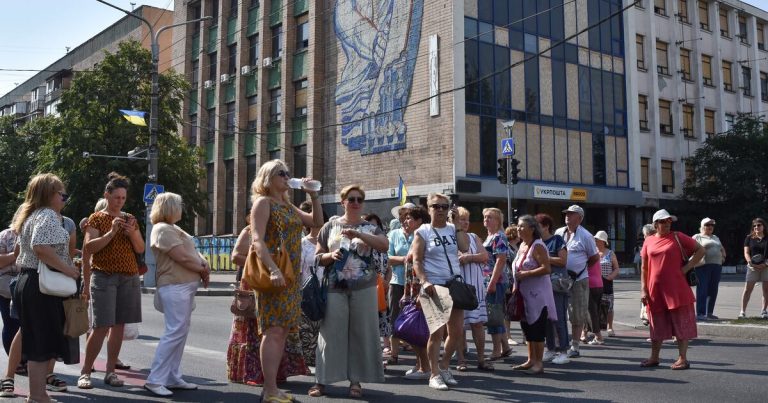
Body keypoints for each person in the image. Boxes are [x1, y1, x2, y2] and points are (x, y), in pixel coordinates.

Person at [250, 160, 322, 402]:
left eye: (288, 173)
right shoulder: (263, 202)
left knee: (281, 331)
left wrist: (313, 195)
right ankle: (269, 389)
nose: (287, 177)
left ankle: (271, 389)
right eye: (282, 173)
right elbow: (257, 240)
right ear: (268, 178)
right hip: (275, 275)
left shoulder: (287, 205)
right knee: (273, 330)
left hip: (290, 277)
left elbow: (316, 223)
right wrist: (273, 270)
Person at [12, 173, 80, 403]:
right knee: (41, 343)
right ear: (50, 195)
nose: (65, 199)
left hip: (29, 281)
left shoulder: (32, 215)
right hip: (42, 285)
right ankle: (38, 395)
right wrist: (68, 269)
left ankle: (37, 394)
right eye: (63, 194)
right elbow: (40, 247)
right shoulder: (48, 215)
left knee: (35, 342)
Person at [79, 173, 145, 389]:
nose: (120, 202)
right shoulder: (97, 218)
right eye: (117, 197)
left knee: (118, 326)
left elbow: (140, 248)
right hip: (104, 276)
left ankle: (110, 372)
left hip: (128, 276)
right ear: (106, 195)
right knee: (101, 326)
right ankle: (85, 372)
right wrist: (111, 232)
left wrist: (132, 232)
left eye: (123, 198)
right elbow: (89, 247)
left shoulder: (129, 218)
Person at [143, 192, 210, 396]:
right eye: (179, 205)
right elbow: (182, 257)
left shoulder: (172, 228)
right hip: (174, 285)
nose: (181, 209)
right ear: (170, 207)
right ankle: (155, 380)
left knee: (180, 331)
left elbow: (191, 253)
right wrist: (202, 269)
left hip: (182, 286)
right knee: (174, 332)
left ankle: (172, 376)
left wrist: (203, 263)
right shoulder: (162, 229)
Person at [410, 193, 469, 391]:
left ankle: (444, 366)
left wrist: (457, 224)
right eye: (436, 206)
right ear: (429, 209)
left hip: (455, 284)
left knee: (456, 332)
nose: (441, 210)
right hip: (434, 286)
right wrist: (424, 281)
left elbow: (464, 247)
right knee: (437, 333)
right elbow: (417, 260)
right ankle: (434, 374)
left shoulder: (453, 228)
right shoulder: (423, 231)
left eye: (445, 206)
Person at [640, 209, 704, 370]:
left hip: (677, 289)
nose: (668, 224)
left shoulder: (678, 236)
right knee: (656, 324)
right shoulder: (648, 241)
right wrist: (643, 289)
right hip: (655, 290)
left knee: (681, 324)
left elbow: (701, 250)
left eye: (669, 221)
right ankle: (654, 357)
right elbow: (644, 268)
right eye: (663, 221)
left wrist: (687, 268)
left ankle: (683, 359)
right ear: (655, 224)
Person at [511, 215, 556, 375]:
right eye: (518, 225)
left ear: (531, 229)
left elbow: (547, 268)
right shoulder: (522, 244)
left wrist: (527, 274)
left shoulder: (538, 245)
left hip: (538, 296)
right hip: (524, 295)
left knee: (537, 330)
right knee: (527, 329)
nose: (518, 229)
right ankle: (531, 360)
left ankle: (538, 363)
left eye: (522, 226)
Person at [554, 205, 599, 359]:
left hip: (579, 280)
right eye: (566, 213)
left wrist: (579, 268)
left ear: (579, 218)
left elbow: (594, 257)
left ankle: (575, 345)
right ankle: (559, 343)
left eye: (571, 214)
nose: (567, 216)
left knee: (577, 313)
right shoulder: (559, 232)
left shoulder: (586, 236)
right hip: (560, 279)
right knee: (558, 312)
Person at [394, 207, 432, 380]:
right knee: (412, 329)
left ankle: (426, 367)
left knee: (418, 330)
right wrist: (405, 293)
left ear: (419, 221)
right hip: (411, 290)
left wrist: (420, 293)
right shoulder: (415, 238)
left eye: (409, 218)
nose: (405, 221)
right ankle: (419, 364)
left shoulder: (424, 238)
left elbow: (424, 268)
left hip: (420, 290)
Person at [454, 207, 490, 371]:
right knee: (458, 326)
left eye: (467, 220)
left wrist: (468, 257)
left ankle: (481, 359)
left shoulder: (474, 237)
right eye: (462, 219)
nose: (465, 223)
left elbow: (484, 256)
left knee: (477, 324)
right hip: (458, 287)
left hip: (475, 287)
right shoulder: (449, 237)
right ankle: (461, 360)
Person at [536, 213, 570, 365]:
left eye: (537, 226)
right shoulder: (537, 243)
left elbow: (563, 261)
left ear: (546, 226)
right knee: (547, 319)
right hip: (542, 285)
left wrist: (545, 258)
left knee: (559, 318)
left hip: (556, 285)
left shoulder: (557, 240)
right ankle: (550, 348)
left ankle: (563, 351)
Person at [385, 205, 416, 366]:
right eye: (402, 218)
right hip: (397, 282)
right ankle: (394, 354)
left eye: (408, 218)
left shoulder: (420, 234)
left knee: (417, 318)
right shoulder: (394, 234)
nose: (405, 221)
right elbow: (387, 257)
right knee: (394, 318)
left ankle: (420, 357)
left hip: (416, 283)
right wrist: (405, 259)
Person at [481, 208, 512, 361]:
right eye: (485, 217)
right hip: (490, 280)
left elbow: (501, 260)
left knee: (493, 315)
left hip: (496, 281)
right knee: (496, 314)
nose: (486, 219)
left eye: (490, 217)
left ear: (498, 220)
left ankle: (496, 350)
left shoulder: (499, 236)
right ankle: (505, 347)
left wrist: (492, 282)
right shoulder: (490, 236)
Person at [364, 213, 392, 359]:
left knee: (384, 314)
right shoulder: (364, 246)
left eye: (376, 225)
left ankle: (386, 345)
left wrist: (386, 281)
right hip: (369, 286)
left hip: (382, 286)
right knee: (370, 319)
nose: (374, 229)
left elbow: (389, 267)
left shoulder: (383, 246)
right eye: (371, 225)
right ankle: (374, 349)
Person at [298, 201, 323, 367]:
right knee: (307, 328)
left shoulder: (328, 243)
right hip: (307, 291)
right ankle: (308, 360)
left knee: (323, 327)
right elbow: (298, 271)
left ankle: (321, 359)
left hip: (326, 290)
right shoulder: (303, 243)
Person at [692, 218, 726, 320]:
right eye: (707, 225)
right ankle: (701, 313)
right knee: (702, 289)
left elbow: (721, 248)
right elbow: (690, 249)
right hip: (702, 266)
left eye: (712, 225)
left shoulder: (715, 237)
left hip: (716, 266)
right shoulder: (697, 237)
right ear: (702, 226)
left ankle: (709, 312)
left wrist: (723, 256)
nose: (710, 227)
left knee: (713, 289)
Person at [740, 217, 768, 319]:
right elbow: (746, 252)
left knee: (766, 290)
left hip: (766, 267)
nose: (756, 227)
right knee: (747, 289)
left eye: (759, 225)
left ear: (763, 226)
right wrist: (751, 263)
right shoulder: (749, 238)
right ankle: (742, 312)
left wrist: (766, 264)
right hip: (752, 267)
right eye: (754, 226)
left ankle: (764, 311)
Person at [595, 231, 620, 336]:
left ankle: (610, 327)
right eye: (595, 239)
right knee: (595, 306)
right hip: (595, 282)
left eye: (597, 239)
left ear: (603, 241)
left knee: (609, 305)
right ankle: (596, 328)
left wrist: (609, 277)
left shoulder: (610, 253)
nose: (595, 241)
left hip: (607, 282)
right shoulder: (593, 252)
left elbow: (616, 268)